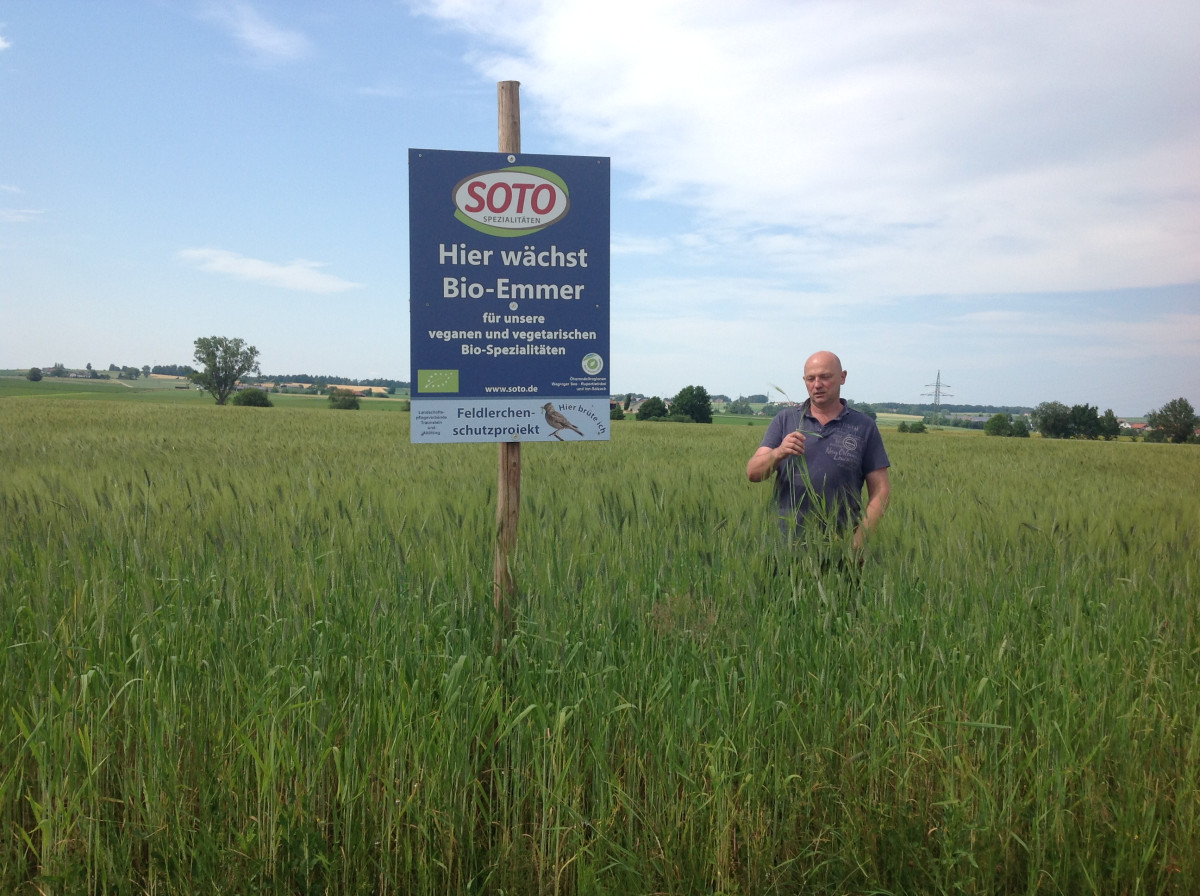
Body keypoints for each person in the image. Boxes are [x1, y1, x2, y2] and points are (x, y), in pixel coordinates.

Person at [747, 351, 891, 550]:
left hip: (840, 549)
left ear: (842, 377)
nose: (817, 385)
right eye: (810, 378)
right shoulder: (785, 419)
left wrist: (858, 541)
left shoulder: (864, 426)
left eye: (825, 377)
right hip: (782, 547)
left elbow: (881, 490)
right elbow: (753, 472)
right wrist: (779, 452)